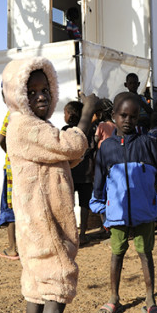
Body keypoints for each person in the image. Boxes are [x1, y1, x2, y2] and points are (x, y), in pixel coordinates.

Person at [2, 56, 97, 313]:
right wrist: (87, 113)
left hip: (38, 229)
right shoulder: (26, 126)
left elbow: (65, 157)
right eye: (33, 91)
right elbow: (73, 147)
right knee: (55, 294)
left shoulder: (31, 127)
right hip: (45, 231)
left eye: (46, 90)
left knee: (37, 295)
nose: (41, 96)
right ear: (17, 94)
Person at [91, 93, 157, 313]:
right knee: (117, 253)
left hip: (145, 212)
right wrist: (102, 209)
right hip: (117, 214)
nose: (128, 120)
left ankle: (150, 300)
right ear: (113, 116)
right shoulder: (106, 148)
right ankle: (114, 297)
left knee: (145, 253)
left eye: (133, 116)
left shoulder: (147, 143)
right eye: (123, 115)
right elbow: (99, 181)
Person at [62, 101, 96, 246]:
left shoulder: (65, 130)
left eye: (65, 112)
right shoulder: (88, 129)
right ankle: (82, 235)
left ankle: (70, 235)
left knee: (68, 204)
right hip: (86, 173)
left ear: (70, 114)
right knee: (84, 205)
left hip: (70, 173)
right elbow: (92, 148)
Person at [0, 108, 18, 259]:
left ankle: (13, 248)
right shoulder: (35, 113)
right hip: (29, 167)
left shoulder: (12, 113)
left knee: (10, 206)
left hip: (12, 167)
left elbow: (1, 139)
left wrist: (11, 153)